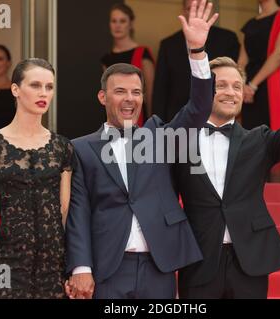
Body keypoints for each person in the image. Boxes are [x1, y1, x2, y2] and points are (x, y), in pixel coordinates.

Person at [65, 0, 216, 299]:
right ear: (102, 97)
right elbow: (78, 212)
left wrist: (196, 52)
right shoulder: (81, 148)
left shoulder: (157, 134)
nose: (129, 99)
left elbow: (198, 109)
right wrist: (80, 266)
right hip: (108, 267)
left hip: (158, 265)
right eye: (120, 91)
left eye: (136, 92)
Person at [174, 28, 280, 299]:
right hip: (198, 260)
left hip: (249, 261)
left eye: (237, 86)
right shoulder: (180, 140)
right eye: (221, 85)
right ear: (204, 90)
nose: (231, 92)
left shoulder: (259, 139)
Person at [0, 58, 75, 299]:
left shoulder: (62, 147)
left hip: (54, 266)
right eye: (35, 85)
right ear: (15, 89)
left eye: (49, 87)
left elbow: (65, 210)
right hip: (8, 261)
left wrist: (71, 267)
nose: (43, 93)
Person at [153, 0, 240, 123]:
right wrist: (159, 127)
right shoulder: (168, 45)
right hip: (177, 121)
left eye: (200, 8)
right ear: (184, 11)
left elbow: (236, 80)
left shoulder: (228, 39)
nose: (196, 13)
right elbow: (160, 90)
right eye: (191, 8)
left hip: (217, 117)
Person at [238, 0, 280, 182]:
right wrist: (241, 85)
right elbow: (241, 61)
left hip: (272, 84)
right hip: (248, 92)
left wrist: (253, 85)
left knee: (276, 144)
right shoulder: (250, 23)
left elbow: (279, 54)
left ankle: (277, 202)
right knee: (251, 145)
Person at [101, 3, 155, 126]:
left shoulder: (142, 53)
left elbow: (150, 93)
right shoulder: (106, 58)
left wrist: (151, 124)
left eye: (122, 21)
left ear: (130, 24)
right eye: (114, 21)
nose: (118, 25)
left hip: (139, 118)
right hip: (113, 119)